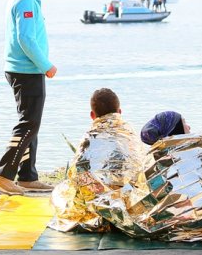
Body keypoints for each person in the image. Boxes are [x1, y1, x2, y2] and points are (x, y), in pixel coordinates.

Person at [0, 0, 57, 195]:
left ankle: (28, 176)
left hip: (26, 69)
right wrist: (46, 65)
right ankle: (3, 174)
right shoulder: (24, 0)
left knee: (32, 123)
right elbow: (26, 39)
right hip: (26, 70)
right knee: (28, 123)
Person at [50, 88, 147, 232]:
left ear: (92, 115)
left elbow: (77, 175)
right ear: (119, 112)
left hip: (98, 206)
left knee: (59, 193)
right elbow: (142, 167)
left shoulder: (89, 138)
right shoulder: (130, 133)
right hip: (131, 204)